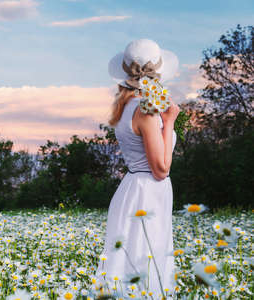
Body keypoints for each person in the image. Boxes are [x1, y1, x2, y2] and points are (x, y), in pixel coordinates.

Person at [94, 39, 180, 299]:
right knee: (147, 256)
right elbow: (161, 169)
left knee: (130, 257)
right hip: (148, 192)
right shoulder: (147, 112)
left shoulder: (125, 107)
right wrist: (170, 121)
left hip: (133, 186)